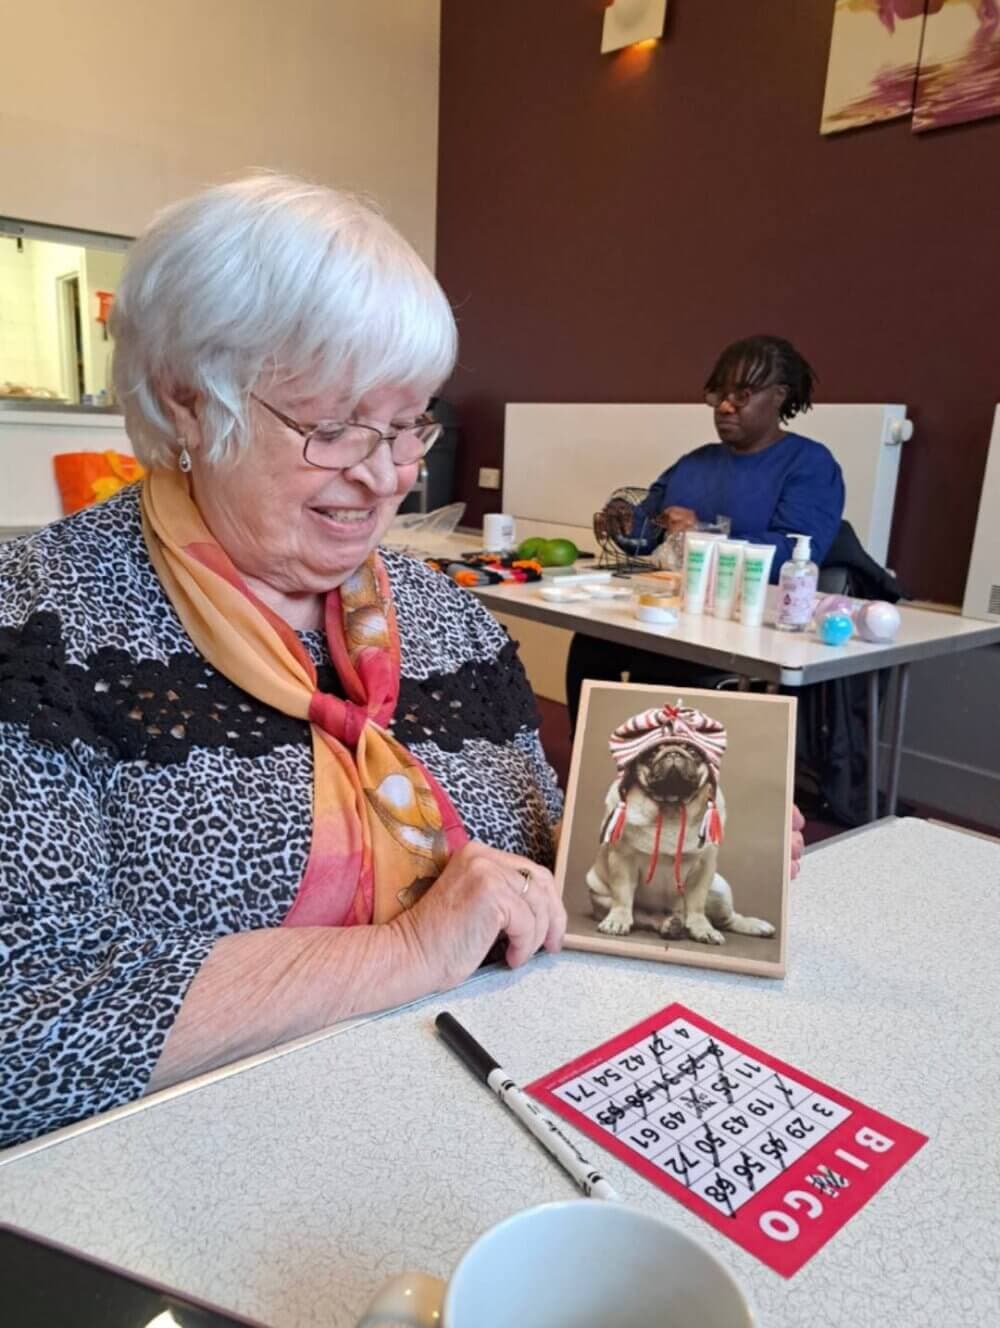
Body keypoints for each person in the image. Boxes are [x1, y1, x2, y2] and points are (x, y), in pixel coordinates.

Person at [0, 176, 568, 1148]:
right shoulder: (40, 627)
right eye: (335, 425)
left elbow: (536, 848)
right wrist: (406, 951)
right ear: (187, 404)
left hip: (488, 1112)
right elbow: (23, 1025)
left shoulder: (450, 621)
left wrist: (646, 852)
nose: (387, 472)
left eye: (408, 424)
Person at [566, 335, 845, 727]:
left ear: (780, 395)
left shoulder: (810, 465)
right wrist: (624, 522)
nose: (726, 407)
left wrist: (704, 534)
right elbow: (648, 531)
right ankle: (591, 768)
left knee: (667, 670)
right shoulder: (694, 463)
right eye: (718, 395)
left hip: (747, 630)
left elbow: (794, 555)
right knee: (591, 645)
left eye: (743, 394)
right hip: (680, 618)